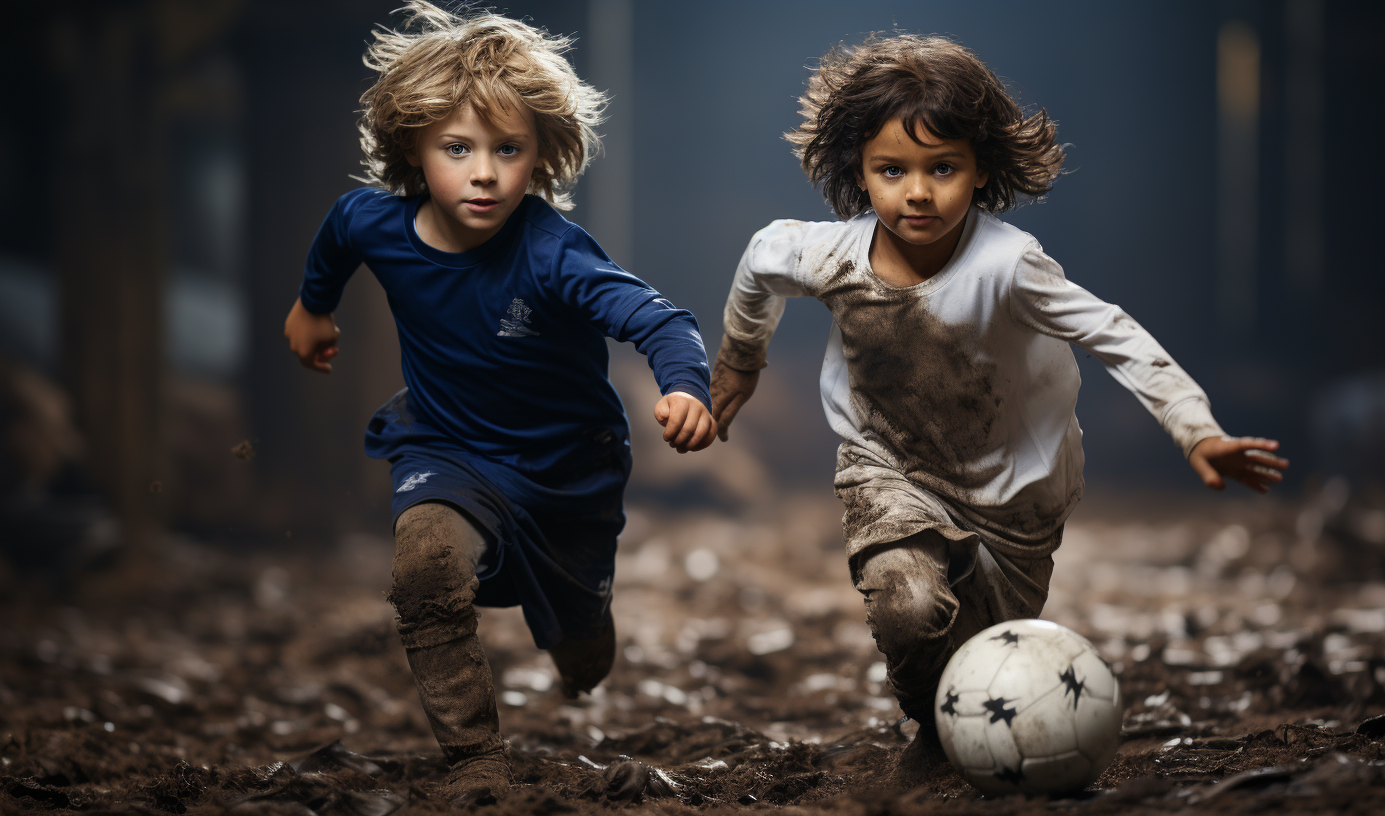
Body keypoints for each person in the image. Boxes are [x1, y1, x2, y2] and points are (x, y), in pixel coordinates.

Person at [709, 34, 1287, 777]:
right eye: (892, 170)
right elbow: (760, 260)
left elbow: (1114, 334)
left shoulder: (1009, 266)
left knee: (984, 648)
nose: (917, 192)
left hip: (1015, 501)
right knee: (908, 610)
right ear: (860, 169)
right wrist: (739, 359)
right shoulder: (829, 255)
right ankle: (937, 733)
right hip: (887, 467)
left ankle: (964, 713)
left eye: (942, 168)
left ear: (980, 169)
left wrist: (1194, 428)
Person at [282, 2, 716, 803]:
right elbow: (338, 238)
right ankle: (475, 760)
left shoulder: (555, 255)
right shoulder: (374, 221)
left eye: (507, 149)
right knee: (424, 569)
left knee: (583, 651)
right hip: (447, 446)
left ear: (541, 154)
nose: (483, 172)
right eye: (457, 148)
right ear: (412, 147)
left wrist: (685, 385)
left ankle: (582, 628)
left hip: (567, 472)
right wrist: (313, 309)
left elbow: (660, 320)